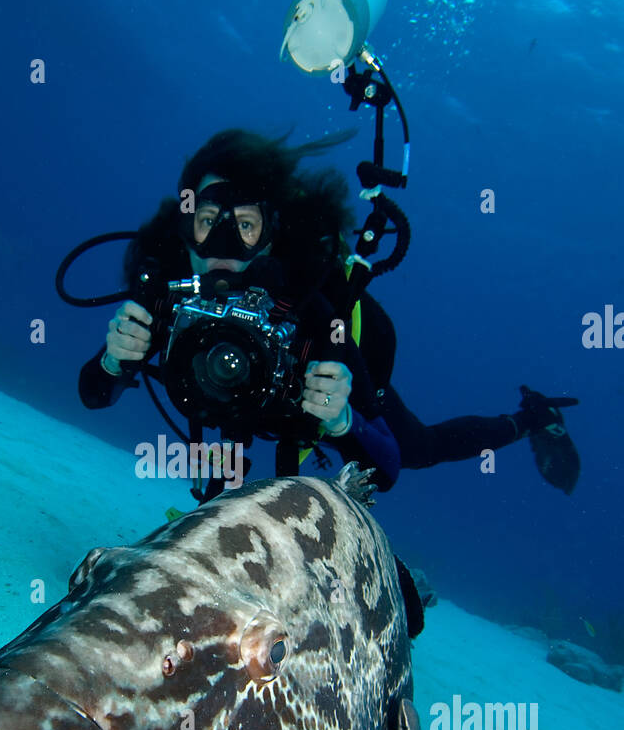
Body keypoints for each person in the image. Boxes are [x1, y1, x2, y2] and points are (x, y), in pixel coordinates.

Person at [78, 129, 578, 496]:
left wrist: (342, 423)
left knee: (420, 446)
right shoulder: (162, 293)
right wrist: (112, 361)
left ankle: (529, 420)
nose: (224, 246)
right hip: (240, 413)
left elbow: (386, 469)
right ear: (185, 227)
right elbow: (94, 394)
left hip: (356, 357)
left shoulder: (311, 313)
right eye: (209, 221)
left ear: (271, 234)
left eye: (246, 225)